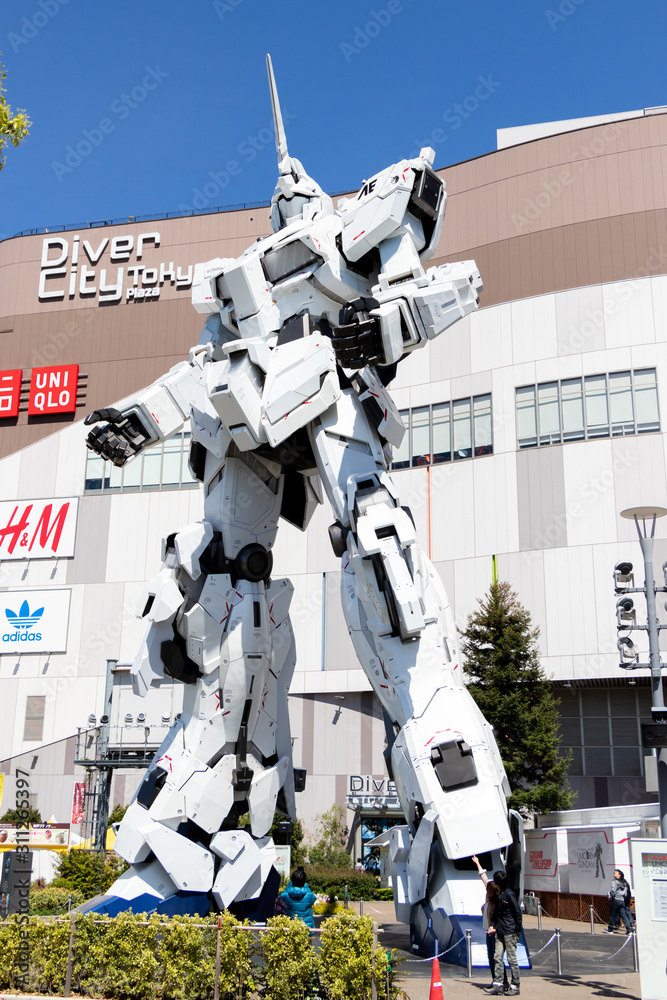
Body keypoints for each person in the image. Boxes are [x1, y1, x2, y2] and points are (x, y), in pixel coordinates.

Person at [484, 869, 522, 996]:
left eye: (495, 881)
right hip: (500, 931)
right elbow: (497, 913)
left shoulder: (509, 895)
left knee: (512, 959)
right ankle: (498, 985)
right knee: (497, 957)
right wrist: (491, 926)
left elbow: (517, 912)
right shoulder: (499, 894)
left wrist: (517, 929)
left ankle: (515, 986)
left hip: (510, 931)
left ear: (498, 883)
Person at [472, 856, 507, 991]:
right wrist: (478, 863)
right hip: (488, 930)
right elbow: (483, 877)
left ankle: (501, 982)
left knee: (496, 957)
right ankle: (495, 980)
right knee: (491, 957)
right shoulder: (490, 895)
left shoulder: (496, 901)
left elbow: (499, 917)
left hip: (495, 931)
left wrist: (494, 929)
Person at [604, 869, 634, 934]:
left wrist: (610, 896)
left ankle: (610, 929)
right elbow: (626, 893)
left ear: (619, 875)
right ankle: (629, 930)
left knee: (612, 915)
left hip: (616, 900)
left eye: (615, 873)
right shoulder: (624, 882)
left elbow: (613, 890)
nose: (614, 874)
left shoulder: (614, 881)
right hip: (622, 900)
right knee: (624, 915)